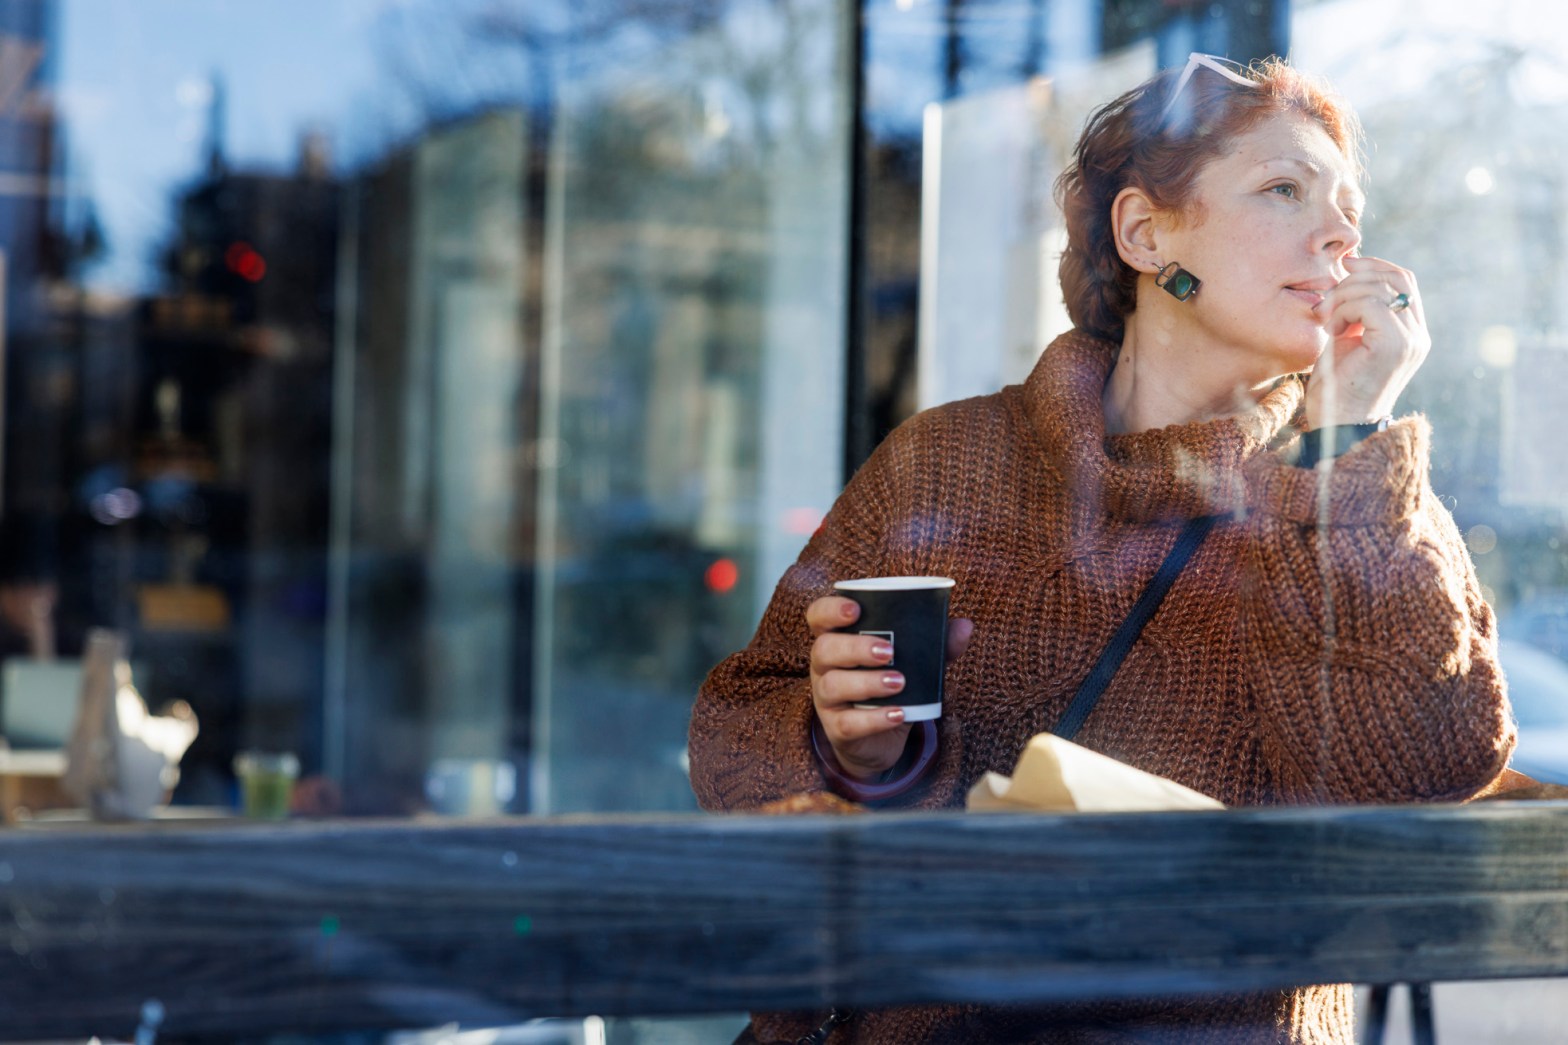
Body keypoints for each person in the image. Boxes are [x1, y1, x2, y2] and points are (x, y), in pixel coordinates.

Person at [688, 54, 1517, 1044]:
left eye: (1349, 207)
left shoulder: (1348, 486)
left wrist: (1346, 440)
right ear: (1142, 232)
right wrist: (850, 744)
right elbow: (733, 739)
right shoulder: (944, 460)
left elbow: (1422, 773)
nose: (1339, 235)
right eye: (1283, 189)